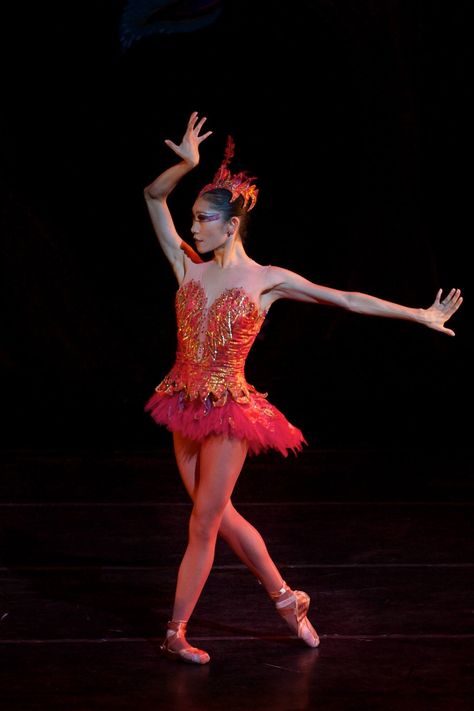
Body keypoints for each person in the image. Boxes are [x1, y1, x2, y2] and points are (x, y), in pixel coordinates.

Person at [143, 111, 463, 665]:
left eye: (201, 219)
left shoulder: (268, 279)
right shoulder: (188, 270)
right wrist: (186, 165)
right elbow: (151, 198)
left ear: (229, 225)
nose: (192, 228)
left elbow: (344, 298)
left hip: (228, 411)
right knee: (218, 514)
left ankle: (175, 632)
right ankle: (287, 599)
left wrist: (417, 314)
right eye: (191, 218)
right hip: (183, 401)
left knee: (203, 522)